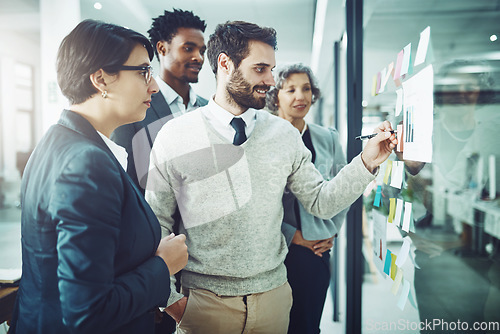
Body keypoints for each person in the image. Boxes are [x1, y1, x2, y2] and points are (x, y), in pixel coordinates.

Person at [145, 21, 397, 334]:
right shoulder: (175, 135)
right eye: (260, 69)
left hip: (274, 301)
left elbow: (321, 201)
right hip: (202, 305)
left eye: (271, 69)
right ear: (225, 63)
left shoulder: (283, 134)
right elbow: (156, 223)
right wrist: (170, 300)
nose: (270, 81)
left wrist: (368, 161)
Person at [9, 19, 188, 334]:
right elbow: (88, 311)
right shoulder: (86, 165)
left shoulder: (61, 141)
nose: (155, 85)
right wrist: (163, 266)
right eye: (144, 72)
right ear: (102, 79)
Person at [266, 63, 346, 334]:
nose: (300, 96)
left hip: (317, 251)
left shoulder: (328, 138)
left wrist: (331, 232)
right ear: (276, 95)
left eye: (306, 89)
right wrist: (293, 236)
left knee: (309, 326)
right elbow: (257, 202)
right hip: (274, 252)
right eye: (290, 89)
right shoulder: (261, 138)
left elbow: (342, 189)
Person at [111, 8, 207, 191]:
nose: (199, 57)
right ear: (162, 48)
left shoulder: (209, 108)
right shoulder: (133, 110)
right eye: (188, 48)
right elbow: (125, 180)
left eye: (202, 50)